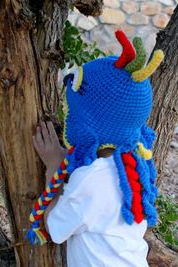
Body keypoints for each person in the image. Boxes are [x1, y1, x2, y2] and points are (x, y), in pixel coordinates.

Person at [26, 30, 164, 267]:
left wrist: (53, 168)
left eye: (71, 110)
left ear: (86, 122)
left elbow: (55, 229)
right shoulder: (134, 171)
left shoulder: (90, 180)